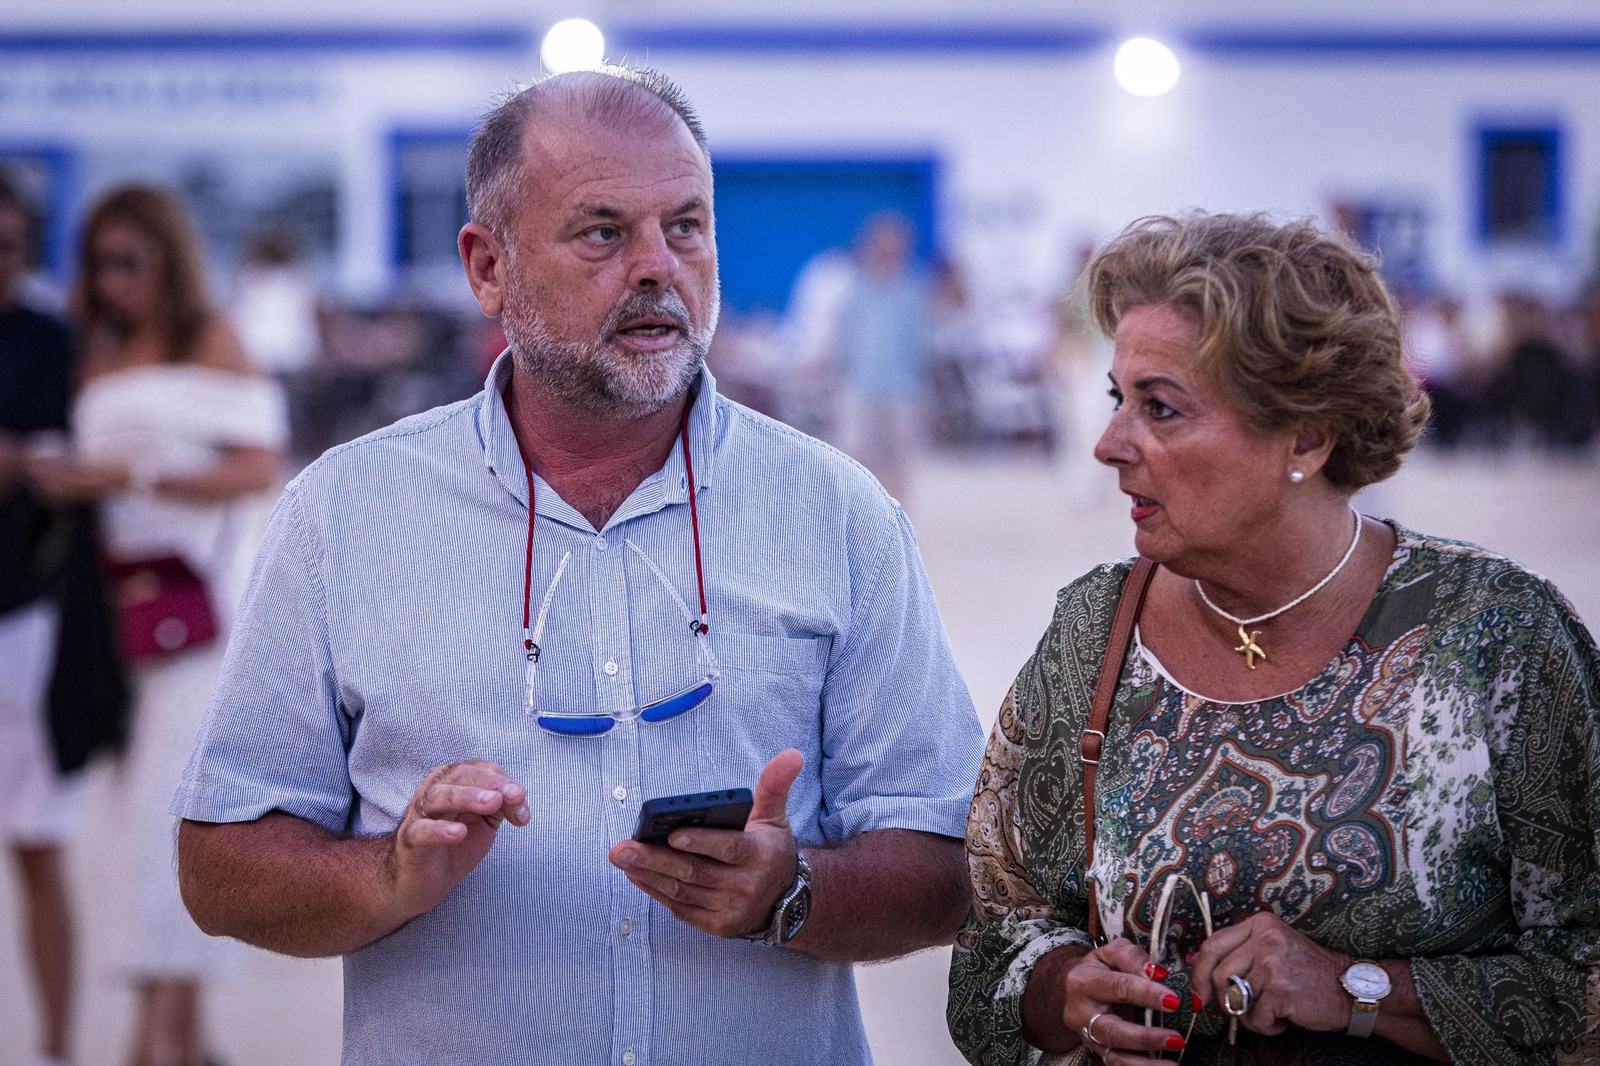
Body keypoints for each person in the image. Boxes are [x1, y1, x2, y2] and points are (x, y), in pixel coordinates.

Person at [172, 66, 983, 1065]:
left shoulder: (841, 515)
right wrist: (384, 877)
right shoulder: (343, 516)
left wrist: (795, 892)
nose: (657, 267)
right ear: (487, 267)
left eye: (685, 227)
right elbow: (219, 865)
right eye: (603, 232)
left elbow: (951, 862)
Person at [947, 213, 1600, 1066]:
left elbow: (1583, 976)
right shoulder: (1094, 634)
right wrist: (1067, 989)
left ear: (1305, 435)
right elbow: (992, 942)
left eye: (1161, 408)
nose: (1109, 444)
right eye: (1118, 399)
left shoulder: (1495, 639)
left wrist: (1355, 989)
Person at [27, 184, 285, 1066]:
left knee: (169, 814)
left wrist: (131, 479)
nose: (116, 280)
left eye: (132, 261)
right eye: (100, 264)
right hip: (107, 612)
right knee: (133, 815)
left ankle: (157, 1032)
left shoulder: (209, 337)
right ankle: (182, 1029)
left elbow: (257, 467)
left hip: (195, 612)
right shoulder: (93, 351)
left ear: (168, 258)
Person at [0, 172, 83, 1066]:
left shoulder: (46, 342)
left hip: (22, 620)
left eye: (9, 246)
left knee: (37, 846)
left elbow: (54, 467)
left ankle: (56, 1049)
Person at [833, 210, 931, 503]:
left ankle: (899, 518)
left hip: (902, 390)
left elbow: (921, 343)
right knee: (857, 459)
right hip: (860, 387)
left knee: (899, 461)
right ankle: (863, 517)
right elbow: (845, 339)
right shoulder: (856, 290)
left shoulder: (913, 292)